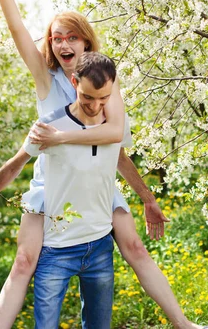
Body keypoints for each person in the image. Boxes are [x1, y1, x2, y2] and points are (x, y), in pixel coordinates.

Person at [0, 0, 202, 329]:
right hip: (53, 185)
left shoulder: (107, 81)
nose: (64, 43)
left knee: (136, 248)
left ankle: (184, 324)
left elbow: (113, 141)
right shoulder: (46, 77)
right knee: (24, 261)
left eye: (72, 36)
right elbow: (17, 27)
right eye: (57, 38)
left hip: (95, 185)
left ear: (86, 43)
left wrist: (145, 195)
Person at [25, 52, 128, 328]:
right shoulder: (51, 125)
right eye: (88, 98)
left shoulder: (113, 125)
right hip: (56, 249)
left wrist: (149, 199)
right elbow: (16, 164)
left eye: (104, 98)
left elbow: (120, 153)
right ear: (74, 83)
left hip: (99, 246)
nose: (96, 106)